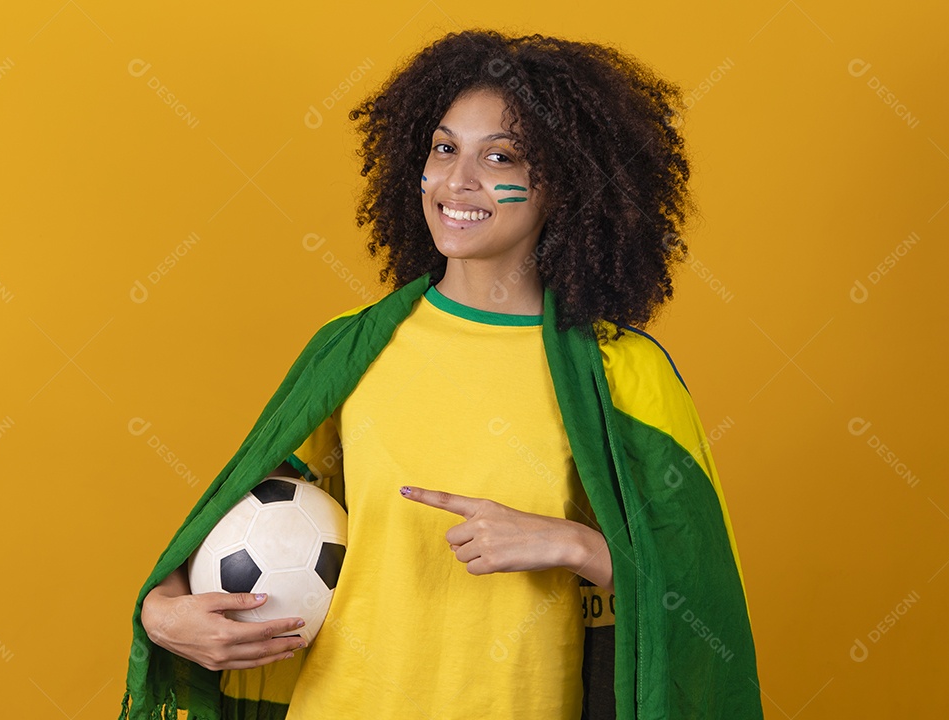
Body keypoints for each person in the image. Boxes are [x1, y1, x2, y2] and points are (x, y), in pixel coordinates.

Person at [121, 29, 762, 720]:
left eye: (501, 157)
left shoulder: (619, 373)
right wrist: (161, 613)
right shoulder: (351, 350)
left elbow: (700, 600)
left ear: (567, 184)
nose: (459, 181)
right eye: (444, 148)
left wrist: (573, 543)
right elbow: (240, 517)